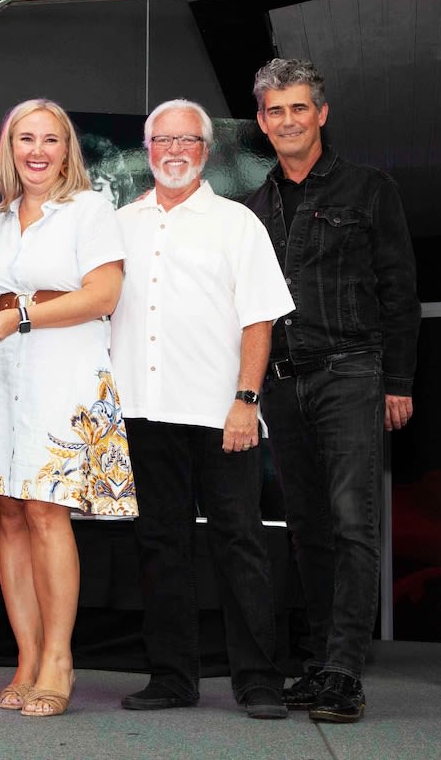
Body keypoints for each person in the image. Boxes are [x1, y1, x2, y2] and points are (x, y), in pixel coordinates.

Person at [0, 98, 136, 718]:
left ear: (66, 149)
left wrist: (23, 313)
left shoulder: (90, 208)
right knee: (9, 514)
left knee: (49, 513)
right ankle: (26, 658)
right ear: (9, 148)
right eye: (26, 139)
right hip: (0, 370)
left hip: (65, 368)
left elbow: (104, 295)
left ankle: (59, 659)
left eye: (50, 140)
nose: (38, 151)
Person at [245, 58, 420, 723]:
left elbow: (399, 288)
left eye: (298, 107)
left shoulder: (369, 189)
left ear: (321, 113)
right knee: (309, 528)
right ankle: (323, 662)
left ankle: (346, 667)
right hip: (281, 381)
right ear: (262, 122)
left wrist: (397, 380)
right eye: (275, 110)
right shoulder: (252, 209)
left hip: (352, 369)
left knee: (353, 522)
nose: (287, 120)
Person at [111, 100, 294, 719]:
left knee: (239, 543)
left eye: (187, 140)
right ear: (148, 148)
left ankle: (258, 679)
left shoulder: (238, 224)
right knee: (160, 545)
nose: (174, 150)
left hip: (223, 417)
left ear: (206, 151)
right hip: (142, 410)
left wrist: (246, 400)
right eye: (162, 140)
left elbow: (259, 319)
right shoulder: (120, 225)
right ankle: (172, 677)